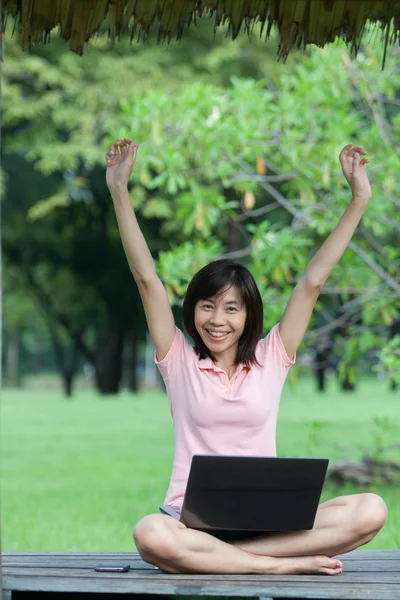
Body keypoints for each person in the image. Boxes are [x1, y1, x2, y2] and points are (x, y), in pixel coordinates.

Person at [106, 138, 387, 576]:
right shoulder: (177, 358)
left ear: (248, 314)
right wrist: (119, 189)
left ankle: (241, 561)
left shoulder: (273, 354)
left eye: (231, 308)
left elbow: (312, 282)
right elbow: (146, 279)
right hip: (192, 526)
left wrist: (359, 199)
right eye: (207, 305)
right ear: (192, 310)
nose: (217, 320)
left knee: (370, 509)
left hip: (268, 523)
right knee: (150, 534)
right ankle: (273, 566)